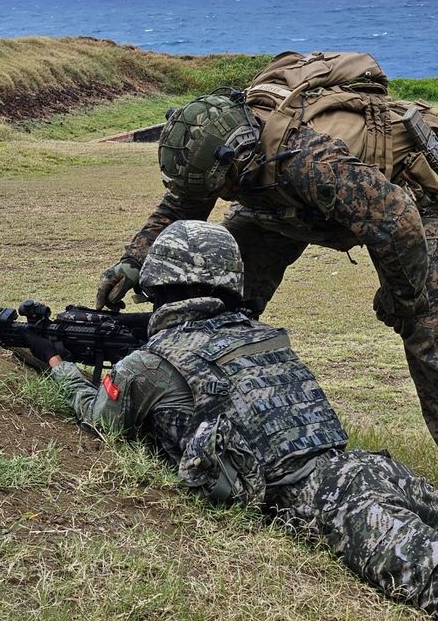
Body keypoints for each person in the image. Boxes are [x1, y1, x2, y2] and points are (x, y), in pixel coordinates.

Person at [27, 221, 438, 613]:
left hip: (327, 502)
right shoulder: (260, 334)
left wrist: (56, 363)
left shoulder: (149, 364)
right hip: (371, 468)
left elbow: (100, 420)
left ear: (157, 282)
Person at [95, 50, 438, 444]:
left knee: (426, 326)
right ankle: (188, 402)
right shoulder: (213, 146)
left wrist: (403, 298)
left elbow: (398, 219)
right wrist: (132, 262)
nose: (218, 195)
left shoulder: (310, 161)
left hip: (417, 202)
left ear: (238, 161)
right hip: (289, 204)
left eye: (221, 187)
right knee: (213, 294)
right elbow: (182, 203)